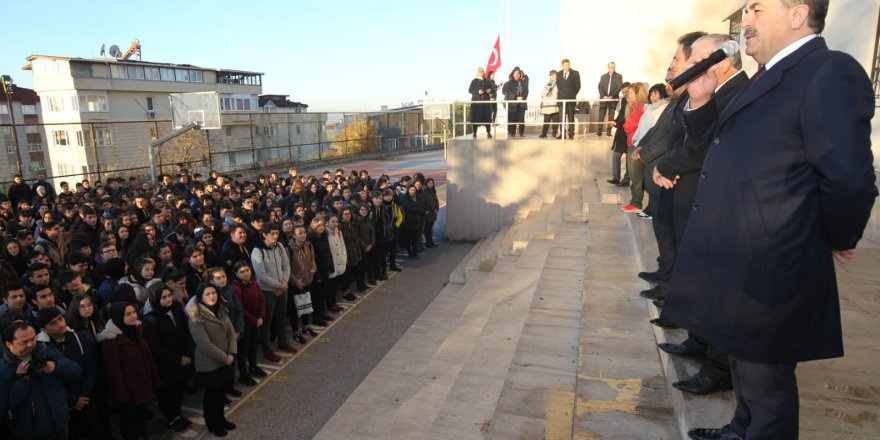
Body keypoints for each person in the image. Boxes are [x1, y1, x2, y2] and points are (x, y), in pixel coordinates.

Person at [659, 1, 878, 438]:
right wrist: (701, 97)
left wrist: (833, 235)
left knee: (768, 386)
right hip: (742, 260)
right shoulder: (766, 77)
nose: (744, 22)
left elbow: (849, 177)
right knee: (746, 372)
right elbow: (719, 146)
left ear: (797, 14)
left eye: (756, 9)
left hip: (773, 262)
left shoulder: (828, 72)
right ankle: (742, 428)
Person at [35, 307, 108, 440]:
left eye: (60, 319)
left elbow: (91, 368)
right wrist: (72, 400)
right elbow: (49, 382)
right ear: (44, 329)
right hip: (63, 403)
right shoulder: (41, 348)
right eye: (53, 323)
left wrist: (84, 395)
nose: (60, 324)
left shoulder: (80, 337)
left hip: (86, 395)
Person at [0, 321, 81, 440]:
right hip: (31, 431)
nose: (30, 344)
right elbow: (4, 407)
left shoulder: (46, 351)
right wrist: (22, 380)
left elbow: (76, 371)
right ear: (8, 344)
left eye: (33, 339)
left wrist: (56, 366)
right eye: (24, 342)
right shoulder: (4, 369)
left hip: (60, 421)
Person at [97, 302, 161, 440]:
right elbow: (113, 372)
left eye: (134, 312)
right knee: (129, 421)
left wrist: (154, 378)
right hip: (128, 389)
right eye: (128, 314)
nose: (133, 316)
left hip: (142, 383)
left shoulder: (137, 330)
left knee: (141, 417)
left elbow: (147, 355)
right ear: (118, 317)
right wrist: (122, 393)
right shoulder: (111, 341)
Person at [142, 282, 195, 433]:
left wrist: (188, 353)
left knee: (178, 390)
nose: (167, 300)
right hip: (166, 364)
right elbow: (157, 348)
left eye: (169, 296)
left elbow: (186, 332)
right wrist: (178, 359)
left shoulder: (176, 310)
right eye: (163, 297)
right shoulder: (150, 320)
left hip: (182, 358)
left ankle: (178, 415)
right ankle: (171, 418)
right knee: (167, 393)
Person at [186, 284, 237, 437]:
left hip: (226, 358)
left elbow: (230, 331)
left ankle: (221, 419)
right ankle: (212, 424)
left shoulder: (221, 309)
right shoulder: (196, 316)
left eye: (213, 293)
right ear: (200, 297)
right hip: (210, 362)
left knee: (221, 393)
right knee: (211, 395)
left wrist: (232, 352)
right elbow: (204, 344)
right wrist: (225, 357)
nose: (212, 296)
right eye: (207, 294)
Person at [251, 222, 297, 360]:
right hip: (267, 291)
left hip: (282, 288)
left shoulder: (280, 246)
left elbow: (286, 266)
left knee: (281, 317)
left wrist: (284, 282)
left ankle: (282, 342)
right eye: (273, 234)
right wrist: (278, 286)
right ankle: (267, 350)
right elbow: (261, 275)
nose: (276, 236)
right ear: (264, 234)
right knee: (267, 322)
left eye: (277, 233)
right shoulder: (257, 251)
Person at [618, 82, 648, 213]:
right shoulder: (631, 107)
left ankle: (636, 203)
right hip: (630, 142)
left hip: (636, 144)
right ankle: (634, 201)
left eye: (631, 93)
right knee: (633, 174)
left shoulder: (643, 108)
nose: (628, 96)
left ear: (637, 94)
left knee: (636, 175)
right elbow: (627, 124)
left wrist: (628, 127)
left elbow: (633, 124)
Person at [606, 82, 632, 186]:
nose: (625, 94)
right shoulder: (623, 100)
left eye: (627, 92)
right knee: (616, 155)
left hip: (630, 132)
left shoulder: (636, 101)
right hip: (621, 132)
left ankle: (626, 179)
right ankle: (616, 178)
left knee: (628, 157)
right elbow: (622, 114)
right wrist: (615, 122)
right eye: (623, 92)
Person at [596, 62, 624, 136]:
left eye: (613, 67)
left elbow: (619, 87)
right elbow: (600, 87)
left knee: (611, 116)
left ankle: (609, 132)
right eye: (610, 67)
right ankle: (599, 131)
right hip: (604, 99)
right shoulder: (603, 76)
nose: (612, 68)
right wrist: (603, 96)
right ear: (608, 68)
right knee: (601, 116)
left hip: (613, 99)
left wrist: (612, 96)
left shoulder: (619, 76)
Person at [556, 59, 581, 138]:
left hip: (571, 99)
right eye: (565, 65)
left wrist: (572, 94)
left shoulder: (575, 73)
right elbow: (558, 85)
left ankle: (571, 133)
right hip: (561, 99)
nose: (567, 66)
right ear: (562, 65)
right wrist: (562, 94)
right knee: (561, 117)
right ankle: (562, 134)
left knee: (571, 117)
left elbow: (578, 86)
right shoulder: (559, 74)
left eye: (568, 65)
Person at [502, 67, 529, 137]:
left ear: (520, 74)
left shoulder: (524, 83)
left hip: (522, 104)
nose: (517, 74)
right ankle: (512, 133)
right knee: (512, 119)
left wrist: (522, 97)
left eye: (518, 73)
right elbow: (507, 92)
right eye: (516, 73)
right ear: (513, 74)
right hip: (513, 104)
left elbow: (526, 91)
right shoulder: (509, 83)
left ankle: (521, 133)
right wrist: (516, 97)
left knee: (521, 119)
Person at [468, 67, 493, 138]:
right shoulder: (474, 81)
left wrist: (490, 90)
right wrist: (478, 92)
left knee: (487, 118)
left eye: (482, 71)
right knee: (475, 118)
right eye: (480, 71)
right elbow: (470, 90)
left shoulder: (488, 81)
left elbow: (493, 88)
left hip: (486, 102)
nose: (481, 72)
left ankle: (488, 132)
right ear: (477, 73)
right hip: (476, 102)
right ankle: (475, 132)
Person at [539, 70, 560, 138]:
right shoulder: (547, 84)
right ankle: (544, 133)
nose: (553, 76)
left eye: (554, 74)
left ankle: (554, 133)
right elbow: (543, 94)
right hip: (547, 104)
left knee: (556, 120)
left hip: (554, 104)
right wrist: (542, 102)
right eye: (551, 75)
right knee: (546, 120)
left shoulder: (559, 83)